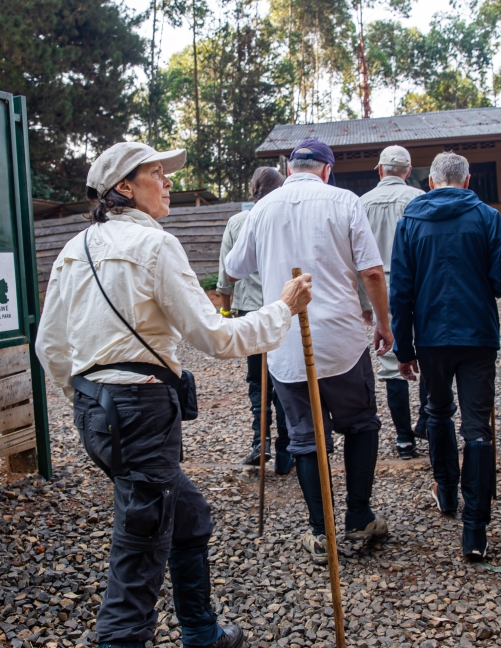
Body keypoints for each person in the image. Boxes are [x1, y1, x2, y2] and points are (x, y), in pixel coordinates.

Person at [36, 141, 313, 648]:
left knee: (188, 516)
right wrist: (283, 308)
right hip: (139, 415)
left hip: (96, 413)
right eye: (157, 173)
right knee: (138, 561)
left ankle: (202, 634)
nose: (168, 183)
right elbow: (216, 338)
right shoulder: (156, 246)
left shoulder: (73, 250)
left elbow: (50, 347)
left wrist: (92, 397)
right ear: (124, 187)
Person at [225, 137, 393, 565]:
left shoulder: (262, 208)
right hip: (342, 338)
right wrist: (385, 325)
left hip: (285, 345)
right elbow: (371, 271)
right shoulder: (344, 200)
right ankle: (357, 516)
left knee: (304, 438)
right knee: (359, 424)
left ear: (291, 166)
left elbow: (235, 267)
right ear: (326, 169)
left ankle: (322, 533)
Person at [389, 152, 501, 561]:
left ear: (430, 183)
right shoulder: (486, 217)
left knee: (438, 410)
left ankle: (446, 490)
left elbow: (401, 292)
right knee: (477, 427)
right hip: (477, 334)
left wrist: (403, 349)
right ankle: (475, 530)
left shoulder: (410, 221)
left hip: (431, 336)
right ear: (466, 179)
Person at [217, 167, 294, 473]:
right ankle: (287, 449)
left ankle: (259, 441)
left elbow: (226, 273)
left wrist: (225, 310)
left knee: (257, 380)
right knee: (284, 376)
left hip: (250, 312)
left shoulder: (237, 222)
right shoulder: (287, 217)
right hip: (284, 307)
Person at [358, 145, 426, 460]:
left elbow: (355, 257)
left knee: (390, 365)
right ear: (408, 171)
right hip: (416, 286)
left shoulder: (360, 203)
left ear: (380, 170)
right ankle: (428, 420)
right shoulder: (419, 199)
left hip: (379, 287)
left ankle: (403, 440)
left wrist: (364, 302)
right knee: (427, 354)